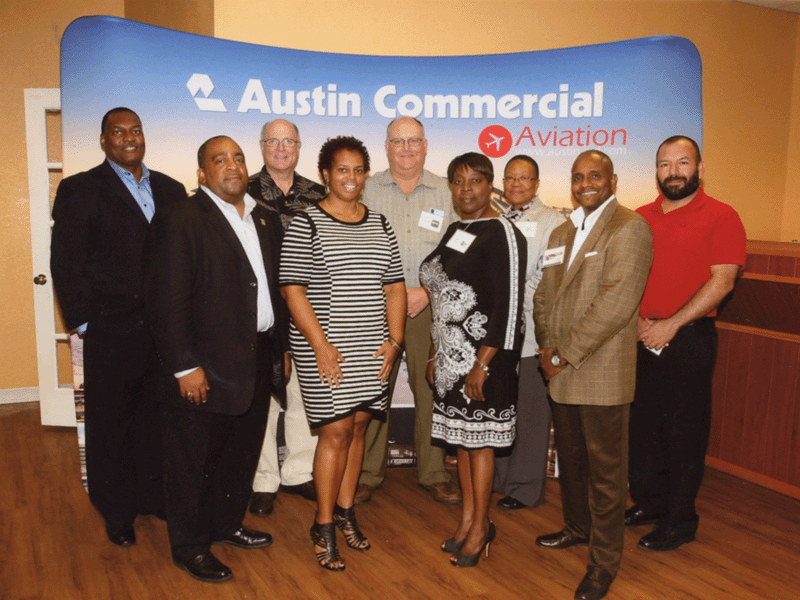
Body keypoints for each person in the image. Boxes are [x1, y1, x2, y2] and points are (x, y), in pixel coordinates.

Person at [143, 136, 287, 583]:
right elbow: (165, 300)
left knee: (239, 454)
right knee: (192, 462)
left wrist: (279, 347)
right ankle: (190, 546)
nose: (233, 166)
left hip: (258, 355)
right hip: (203, 364)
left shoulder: (265, 218)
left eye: (239, 158)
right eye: (219, 159)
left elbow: (272, 288)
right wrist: (184, 366)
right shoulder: (179, 219)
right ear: (202, 173)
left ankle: (226, 524)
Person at [50, 107, 186, 547]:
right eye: (119, 132)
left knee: (157, 418)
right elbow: (65, 263)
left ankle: (153, 497)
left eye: (136, 131)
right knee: (111, 424)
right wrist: (86, 322)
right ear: (104, 140)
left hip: (165, 331)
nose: (129, 138)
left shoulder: (171, 188)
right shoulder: (80, 189)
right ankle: (116, 510)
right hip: (110, 329)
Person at [280, 136, 406, 571]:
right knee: (334, 434)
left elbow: (393, 287)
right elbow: (292, 290)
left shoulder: (381, 224)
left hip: (373, 347)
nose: (350, 178)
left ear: (365, 174)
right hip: (327, 347)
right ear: (325, 175)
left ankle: (347, 511)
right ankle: (323, 524)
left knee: (356, 431)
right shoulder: (306, 223)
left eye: (358, 170)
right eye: (341, 170)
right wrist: (321, 347)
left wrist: (394, 341)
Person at [533, 150, 653, 600]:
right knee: (573, 462)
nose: (586, 183)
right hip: (559, 367)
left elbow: (616, 306)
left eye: (595, 176)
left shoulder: (630, 228)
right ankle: (576, 527)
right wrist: (547, 346)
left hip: (599, 370)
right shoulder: (563, 231)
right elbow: (544, 294)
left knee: (606, 474)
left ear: (613, 180)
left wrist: (562, 355)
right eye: (579, 177)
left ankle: (604, 563)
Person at [627, 135, 746, 552]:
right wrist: (639, 321)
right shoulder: (639, 217)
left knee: (683, 432)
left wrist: (672, 324)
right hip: (640, 334)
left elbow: (723, 280)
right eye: (664, 164)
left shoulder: (721, 216)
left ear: (699, 167)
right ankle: (651, 503)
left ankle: (680, 520)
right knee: (643, 429)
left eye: (682, 163)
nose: (673, 172)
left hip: (689, 337)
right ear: (655, 170)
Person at [421, 152, 526, 568]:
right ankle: (467, 520)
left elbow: (509, 305)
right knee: (462, 444)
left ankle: (482, 528)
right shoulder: (455, 230)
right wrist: (435, 351)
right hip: (450, 358)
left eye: (476, 181)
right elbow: (443, 298)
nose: (466, 190)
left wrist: (482, 364)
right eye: (458, 182)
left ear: (490, 185)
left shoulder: (504, 232)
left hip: (486, 360)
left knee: (479, 444)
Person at [357, 116, 460, 505]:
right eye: (398, 141)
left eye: (413, 140)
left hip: (426, 307)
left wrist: (428, 292)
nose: (406, 148)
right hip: (376, 308)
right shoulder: (366, 188)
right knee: (374, 389)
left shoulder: (447, 192)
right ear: (386, 146)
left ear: (426, 144)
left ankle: (433, 472)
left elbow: (459, 250)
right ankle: (368, 472)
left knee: (430, 388)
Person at [247, 119, 325, 516]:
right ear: (261, 146)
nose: (281, 148)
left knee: (303, 396)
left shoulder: (319, 195)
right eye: (273, 141)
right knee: (263, 398)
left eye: (288, 141)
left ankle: (298, 471)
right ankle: (264, 479)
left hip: (309, 307)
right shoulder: (240, 193)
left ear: (298, 147)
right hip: (259, 310)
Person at [494, 155, 565, 511]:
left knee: (532, 415)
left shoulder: (553, 221)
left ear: (537, 184)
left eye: (524, 178)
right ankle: (501, 479)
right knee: (502, 408)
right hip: (498, 335)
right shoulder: (496, 220)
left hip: (532, 332)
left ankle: (524, 489)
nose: (517, 184)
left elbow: (548, 274)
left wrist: (508, 296)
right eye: (510, 178)